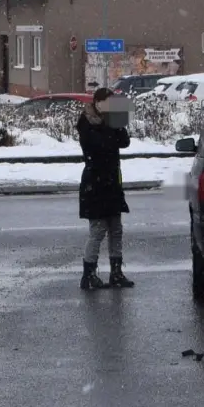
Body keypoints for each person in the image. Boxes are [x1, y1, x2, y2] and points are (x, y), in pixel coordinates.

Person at [78, 87, 134, 290]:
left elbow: (124, 142)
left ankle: (116, 273)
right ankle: (89, 275)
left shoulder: (111, 121)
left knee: (116, 229)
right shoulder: (86, 122)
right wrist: (111, 129)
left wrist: (118, 121)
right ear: (98, 103)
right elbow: (99, 146)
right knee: (98, 230)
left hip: (111, 182)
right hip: (95, 182)